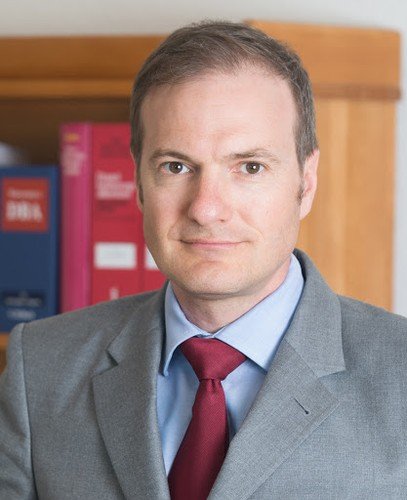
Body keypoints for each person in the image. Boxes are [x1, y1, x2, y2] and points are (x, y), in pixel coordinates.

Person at [1, 20, 407, 500]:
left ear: (307, 181)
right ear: (138, 183)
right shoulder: (39, 367)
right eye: (175, 166)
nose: (206, 208)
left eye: (250, 167)